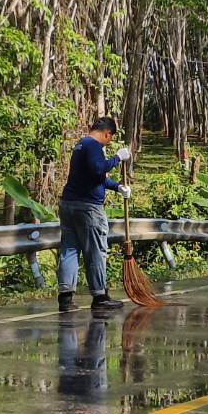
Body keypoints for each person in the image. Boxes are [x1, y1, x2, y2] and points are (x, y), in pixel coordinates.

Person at [58, 116, 130, 313]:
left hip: (68, 205)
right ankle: (100, 297)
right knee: (96, 251)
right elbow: (99, 169)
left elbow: (94, 176)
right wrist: (117, 158)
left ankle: (65, 297)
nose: (109, 142)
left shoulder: (80, 145)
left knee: (70, 250)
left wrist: (117, 187)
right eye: (110, 138)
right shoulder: (93, 146)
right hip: (88, 208)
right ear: (107, 134)